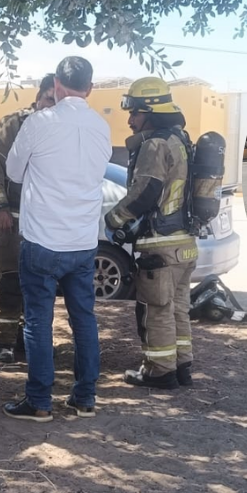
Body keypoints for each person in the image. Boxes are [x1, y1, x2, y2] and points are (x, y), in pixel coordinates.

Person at [2, 56, 111, 422]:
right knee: (84, 320)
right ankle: (85, 398)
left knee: (37, 321)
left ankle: (39, 402)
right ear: (90, 88)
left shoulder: (39, 122)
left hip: (42, 240)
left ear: (57, 86)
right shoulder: (101, 127)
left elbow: (13, 171)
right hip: (82, 242)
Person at [104, 76, 198, 390]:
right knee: (178, 309)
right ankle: (181, 366)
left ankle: (159, 371)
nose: (130, 120)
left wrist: (115, 218)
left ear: (153, 112)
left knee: (156, 311)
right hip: (184, 244)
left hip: (160, 245)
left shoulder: (155, 144)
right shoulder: (180, 139)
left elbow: (145, 191)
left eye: (136, 113)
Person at [0, 74, 57, 363]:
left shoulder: (63, 130)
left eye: (57, 100)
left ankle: (30, 340)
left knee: (40, 286)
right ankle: (2, 342)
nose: (52, 105)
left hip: (48, 222)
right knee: (10, 282)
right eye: (49, 98)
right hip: (13, 217)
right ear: (38, 98)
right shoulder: (13, 124)